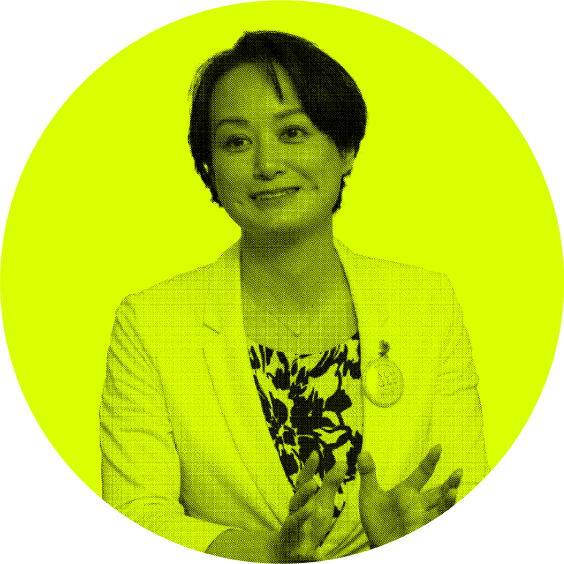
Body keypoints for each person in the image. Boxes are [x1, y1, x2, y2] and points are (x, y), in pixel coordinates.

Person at [99, 30, 490, 561]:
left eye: (292, 132)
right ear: (209, 166)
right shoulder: (150, 322)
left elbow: (462, 482)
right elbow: (138, 510)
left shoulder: (426, 302)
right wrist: (268, 554)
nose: (266, 164)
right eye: (236, 142)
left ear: (346, 149)